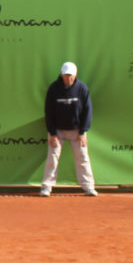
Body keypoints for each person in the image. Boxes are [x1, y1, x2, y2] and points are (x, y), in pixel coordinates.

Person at [40, 62, 97, 197]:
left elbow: (88, 111)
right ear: (61, 75)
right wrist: (52, 133)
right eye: (66, 75)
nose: (68, 78)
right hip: (57, 131)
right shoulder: (54, 88)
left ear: (75, 74)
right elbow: (49, 111)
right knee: (52, 158)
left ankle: (89, 187)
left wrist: (83, 132)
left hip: (77, 131)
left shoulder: (82, 88)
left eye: (70, 75)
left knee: (82, 157)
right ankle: (46, 187)